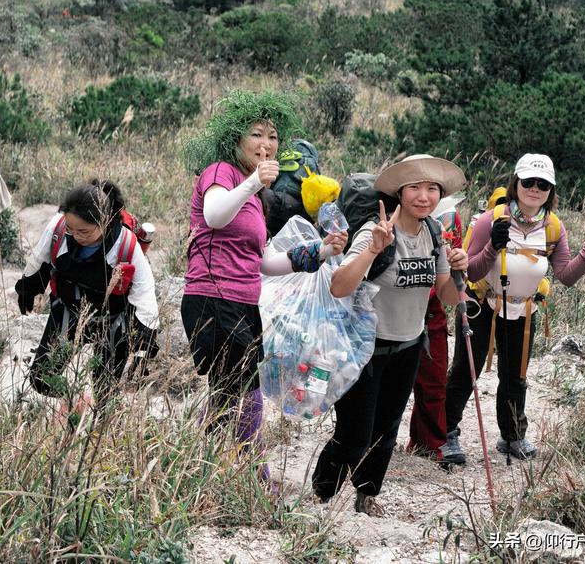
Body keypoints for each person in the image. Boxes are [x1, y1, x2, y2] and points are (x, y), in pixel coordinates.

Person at [181, 90, 347, 478]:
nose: (266, 144)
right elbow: (215, 215)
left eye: (272, 136)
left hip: (242, 301)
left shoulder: (254, 192)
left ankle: (196, 463)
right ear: (235, 138)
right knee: (246, 391)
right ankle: (255, 472)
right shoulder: (220, 173)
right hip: (211, 296)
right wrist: (254, 182)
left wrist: (319, 252)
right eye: (257, 134)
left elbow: (262, 261)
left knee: (227, 391)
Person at [312, 154, 468, 516]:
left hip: (409, 346)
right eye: (415, 187)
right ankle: (322, 492)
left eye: (432, 189)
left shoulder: (433, 234)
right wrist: (373, 249)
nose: (424, 196)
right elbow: (339, 286)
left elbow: (445, 295)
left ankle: (367, 496)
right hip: (364, 348)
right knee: (355, 435)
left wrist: (461, 273)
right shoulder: (375, 230)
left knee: (386, 431)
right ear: (400, 191)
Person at [443, 154, 585, 464]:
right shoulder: (489, 221)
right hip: (481, 305)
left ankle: (512, 435)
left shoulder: (552, 227)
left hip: (523, 312)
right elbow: (470, 272)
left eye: (543, 184)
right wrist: (491, 247)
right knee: (464, 372)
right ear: (516, 183)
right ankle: (446, 432)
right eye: (529, 182)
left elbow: (565, 275)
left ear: (550, 190)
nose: (535, 189)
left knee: (516, 376)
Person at [15, 180, 159, 406]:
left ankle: (99, 428)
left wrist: (145, 343)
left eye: (83, 231)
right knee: (40, 378)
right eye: (71, 229)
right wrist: (27, 288)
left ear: (104, 221)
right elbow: (39, 259)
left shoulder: (125, 244)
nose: (75, 236)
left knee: (106, 395)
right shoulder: (58, 229)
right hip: (67, 312)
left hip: (112, 322)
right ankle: (76, 403)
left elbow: (145, 293)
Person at [406, 194, 464, 469]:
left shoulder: (448, 218)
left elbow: (448, 281)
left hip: (431, 306)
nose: (424, 194)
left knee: (434, 378)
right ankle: (423, 441)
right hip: (401, 307)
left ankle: (428, 441)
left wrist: (458, 269)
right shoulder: (395, 220)